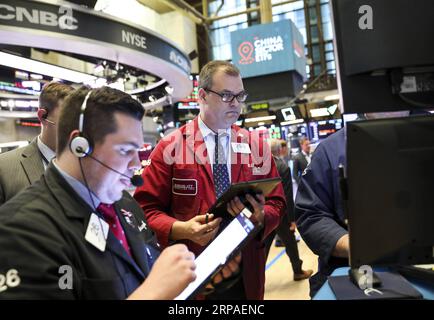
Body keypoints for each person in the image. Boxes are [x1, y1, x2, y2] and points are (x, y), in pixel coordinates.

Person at [0, 86, 239, 299]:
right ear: (80, 146)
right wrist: (155, 291)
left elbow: (143, 275)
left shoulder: (123, 203)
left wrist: (198, 281)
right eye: (125, 150)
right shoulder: (21, 231)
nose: (136, 163)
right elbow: (151, 288)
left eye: (138, 150)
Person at [134, 60, 286, 300]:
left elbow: (277, 203)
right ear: (202, 96)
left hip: (245, 273)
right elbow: (144, 211)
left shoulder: (256, 146)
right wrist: (181, 229)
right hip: (192, 273)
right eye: (226, 95)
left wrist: (261, 216)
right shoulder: (170, 147)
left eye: (240, 95)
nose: (235, 104)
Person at [0, 82, 74, 205]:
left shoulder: (86, 166)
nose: (73, 130)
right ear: (42, 116)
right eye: (66, 122)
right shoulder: (4, 168)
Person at [264, 139, 313, 281]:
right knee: (291, 243)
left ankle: (256, 277)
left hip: (266, 213)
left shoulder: (260, 166)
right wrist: (292, 219)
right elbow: (286, 195)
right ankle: (298, 271)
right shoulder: (282, 167)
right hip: (281, 215)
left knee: (265, 246)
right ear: (279, 150)